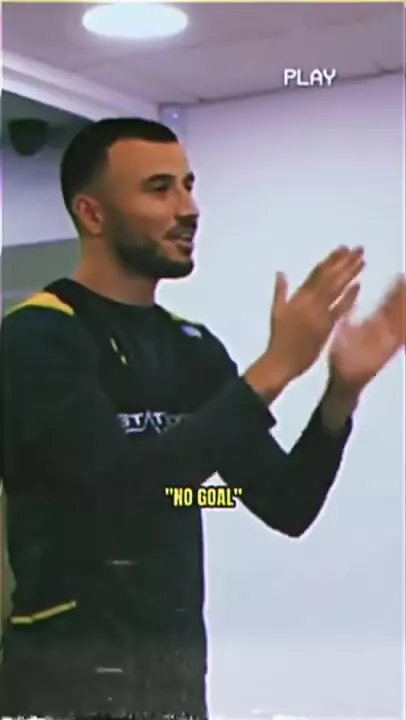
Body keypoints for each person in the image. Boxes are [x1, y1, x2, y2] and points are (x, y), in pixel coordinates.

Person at [0, 117, 404, 718]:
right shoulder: (36, 337)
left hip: (174, 684)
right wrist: (273, 369)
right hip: (62, 686)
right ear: (92, 213)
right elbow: (122, 493)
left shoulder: (191, 347)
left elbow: (285, 502)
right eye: (159, 189)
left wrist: (340, 394)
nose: (188, 209)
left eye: (189, 186)